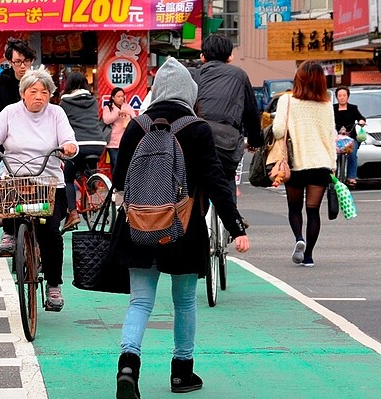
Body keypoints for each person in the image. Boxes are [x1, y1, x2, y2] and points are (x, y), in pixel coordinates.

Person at [112, 57, 250, 398]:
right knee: (185, 302)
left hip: (140, 227)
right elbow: (217, 181)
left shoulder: (136, 126)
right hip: (184, 230)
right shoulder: (197, 128)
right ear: (190, 92)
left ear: (157, 91)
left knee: (140, 303)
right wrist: (235, 226)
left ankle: (128, 366)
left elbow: (119, 182)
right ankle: (181, 373)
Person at [0, 66, 78, 311]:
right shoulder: (10, 113)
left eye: (44, 92)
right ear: (23, 92)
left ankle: (54, 286)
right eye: (33, 91)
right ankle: (11, 233)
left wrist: (68, 146)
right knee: (8, 202)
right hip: (17, 178)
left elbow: (69, 138)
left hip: (48, 182)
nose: (38, 97)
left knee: (51, 234)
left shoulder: (56, 114)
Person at [272, 60, 336, 268]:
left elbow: (278, 131)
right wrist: (333, 165)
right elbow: (331, 135)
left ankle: (299, 237)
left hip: (296, 165)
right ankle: (308, 256)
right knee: (313, 211)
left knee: (294, 208)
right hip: (321, 164)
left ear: (299, 78)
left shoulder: (287, 101)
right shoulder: (326, 104)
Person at [194, 33, 262, 204]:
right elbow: (251, 113)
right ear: (230, 56)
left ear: (203, 56)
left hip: (195, 139)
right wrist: (255, 140)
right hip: (227, 142)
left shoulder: (193, 75)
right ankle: (232, 223)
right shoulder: (239, 75)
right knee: (226, 179)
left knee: (194, 181)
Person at [0, 37, 37, 228]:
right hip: (12, 135)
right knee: (3, 176)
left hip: (38, 135)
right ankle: (5, 213)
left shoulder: (39, 80)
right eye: (17, 62)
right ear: (10, 63)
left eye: (26, 61)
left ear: (32, 61)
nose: (22, 66)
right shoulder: (5, 80)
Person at [59, 71, 106, 232]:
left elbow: (61, 125)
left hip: (78, 144)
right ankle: (91, 181)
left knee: (68, 179)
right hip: (98, 143)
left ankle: (72, 213)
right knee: (85, 169)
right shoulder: (93, 100)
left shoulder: (64, 102)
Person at [333, 86, 366, 187]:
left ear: (348, 97)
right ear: (337, 97)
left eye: (344, 95)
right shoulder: (332, 108)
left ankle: (351, 177)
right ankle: (332, 175)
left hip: (351, 138)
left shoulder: (353, 108)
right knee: (333, 156)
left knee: (352, 154)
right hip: (336, 138)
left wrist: (361, 121)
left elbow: (361, 118)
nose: (342, 97)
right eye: (340, 96)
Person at [102, 87, 135, 171]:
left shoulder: (128, 107)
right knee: (115, 164)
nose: (121, 98)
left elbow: (135, 119)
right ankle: (116, 183)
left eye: (122, 96)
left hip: (125, 140)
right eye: (118, 96)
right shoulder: (108, 108)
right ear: (113, 97)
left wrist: (128, 115)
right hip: (113, 142)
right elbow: (106, 120)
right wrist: (118, 113)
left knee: (125, 165)